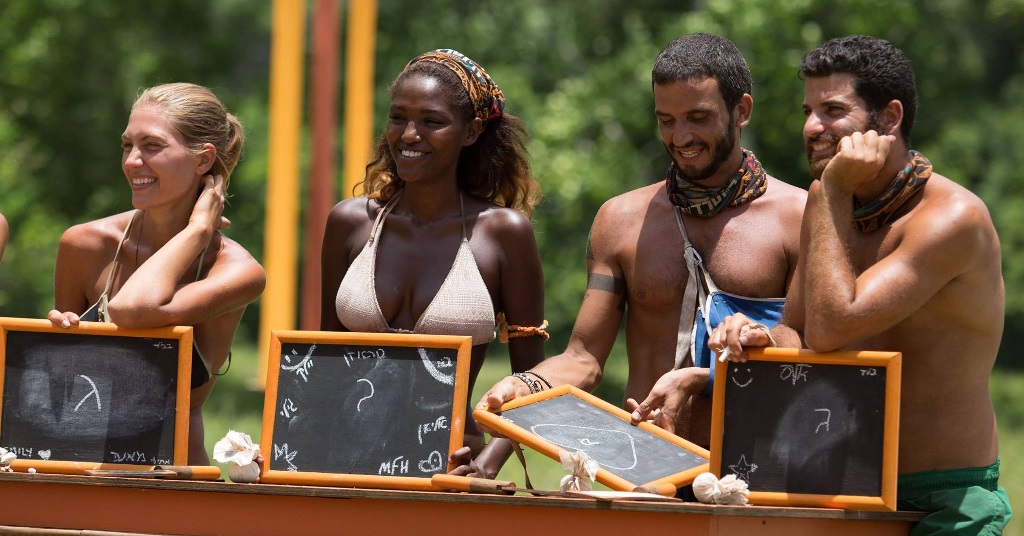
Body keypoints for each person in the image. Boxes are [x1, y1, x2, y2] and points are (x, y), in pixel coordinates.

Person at [710, 36, 1011, 534]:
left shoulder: (952, 218)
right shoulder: (827, 201)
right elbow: (800, 332)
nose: (812, 127)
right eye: (808, 111)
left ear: (889, 119)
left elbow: (834, 327)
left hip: (944, 499)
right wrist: (760, 337)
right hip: (837, 487)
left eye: (832, 110)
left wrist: (834, 190)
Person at [477, 33, 806, 448]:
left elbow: (811, 347)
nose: (680, 137)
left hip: (759, 466)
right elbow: (584, 358)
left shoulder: (799, 218)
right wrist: (525, 386)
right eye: (666, 120)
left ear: (741, 111)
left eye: (698, 117)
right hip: (648, 466)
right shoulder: (621, 221)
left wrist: (762, 337)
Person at [321, 49, 547, 479]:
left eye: (431, 121)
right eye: (398, 117)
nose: (409, 134)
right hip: (345, 462)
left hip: (451, 467)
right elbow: (323, 362)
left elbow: (532, 379)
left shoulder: (503, 233)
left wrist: (485, 467)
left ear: (471, 131)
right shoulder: (350, 223)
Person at [48, 83, 267, 465]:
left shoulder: (235, 271)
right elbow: (58, 387)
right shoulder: (84, 245)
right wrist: (55, 342)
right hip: (77, 468)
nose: (132, 161)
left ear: (203, 160)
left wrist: (198, 231)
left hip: (174, 480)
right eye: (127, 145)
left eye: (152, 146)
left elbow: (132, 309)